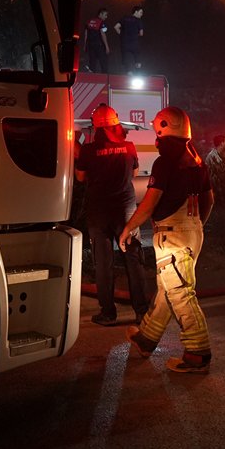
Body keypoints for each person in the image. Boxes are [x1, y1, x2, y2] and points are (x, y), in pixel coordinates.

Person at [118, 105, 215, 373]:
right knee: (168, 290)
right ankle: (146, 338)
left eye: (157, 134)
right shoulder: (197, 161)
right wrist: (195, 227)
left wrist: (128, 229)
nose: (156, 140)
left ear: (165, 130)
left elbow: (149, 204)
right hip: (192, 232)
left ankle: (197, 353)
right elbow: (209, 199)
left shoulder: (165, 163)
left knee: (180, 293)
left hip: (171, 236)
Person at [76, 104, 153, 326]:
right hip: (126, 212)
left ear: (96, 128)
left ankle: (108, 313)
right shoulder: (129, 147)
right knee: (133, 259)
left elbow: (81, 178)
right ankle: (141, 312)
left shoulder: (89, 150)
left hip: (98, 212)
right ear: (116, 124)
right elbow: (135, 173)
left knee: (103, 263)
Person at [114, 5, 145, 72]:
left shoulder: (125, 18)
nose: (141, 14)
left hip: (124, 43)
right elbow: (141, 33)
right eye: (141, 12)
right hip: (134, 44)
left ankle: (128, 74)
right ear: (136, 12)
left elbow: (116, 27)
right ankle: (138, 74)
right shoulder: (138, 21)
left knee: (126, 60)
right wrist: (135, 35)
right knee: (137, 60)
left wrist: (122, 35)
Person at [83, 7, 111, 73]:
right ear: (100, 14)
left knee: (92, 62)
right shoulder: (101, 22)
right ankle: (104, 78)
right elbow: (103, 34)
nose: (106, 17)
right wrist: (107, 46)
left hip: (90, 45)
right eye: (105, 15)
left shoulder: (89, 21)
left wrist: (85, 45)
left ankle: (92, 78)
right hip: (99, 45)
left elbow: (86, 34)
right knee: (103, 62)